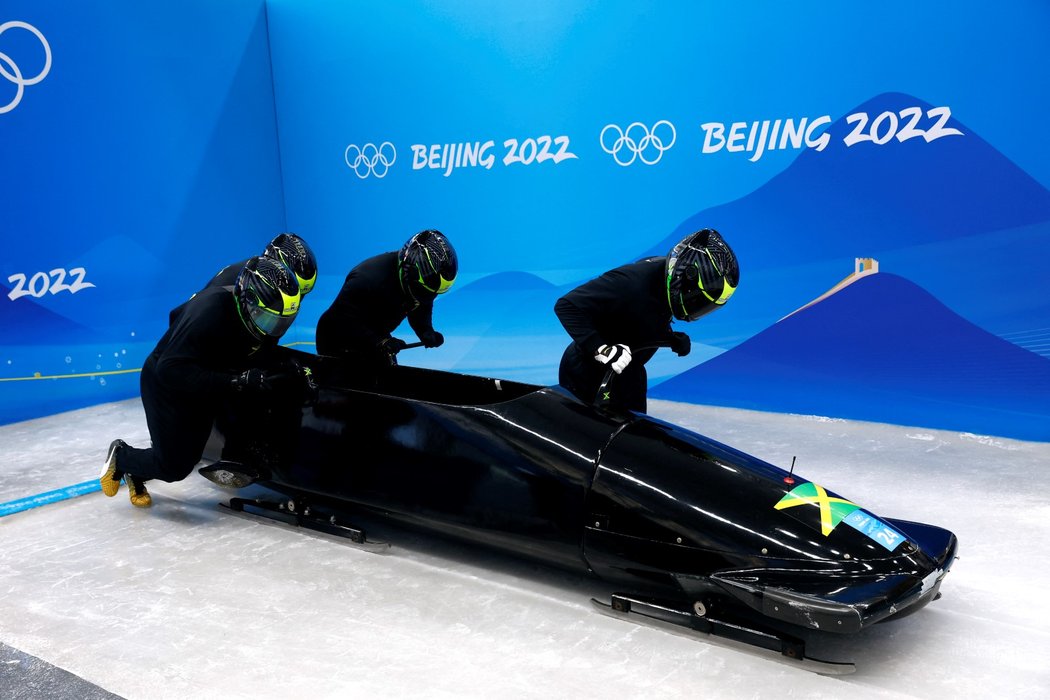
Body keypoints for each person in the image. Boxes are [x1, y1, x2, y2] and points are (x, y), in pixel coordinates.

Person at [100, 256, 303, 507]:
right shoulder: (208, 312)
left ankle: (232, 456)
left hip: (206, 375)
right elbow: (170, 370)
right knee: (174, 467)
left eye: (282, 322)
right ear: (246, 301)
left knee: (193, 453)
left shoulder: (258, 313)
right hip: (168, 383)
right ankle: (122, 458)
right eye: (267, 319)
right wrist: (234, 381)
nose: (272, 330)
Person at [554, 228, 739, 413]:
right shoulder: (629, 281)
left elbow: (640, 315)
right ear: (685, 277)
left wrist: (669, 338)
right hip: (588, 375)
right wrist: (602, 348)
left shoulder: (667, 279)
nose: (699, 308)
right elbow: (567, 306)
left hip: (629, 373)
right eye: (700, 300)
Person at [315, 229, 457, 368]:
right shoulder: (367, 279)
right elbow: (343, 319)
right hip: (337, 340)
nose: (429, 296)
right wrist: (379, 341)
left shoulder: (418, 282)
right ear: (409, 272)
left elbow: (420, 302)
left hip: (374, 336)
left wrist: (425, 331)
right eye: (425, 290)